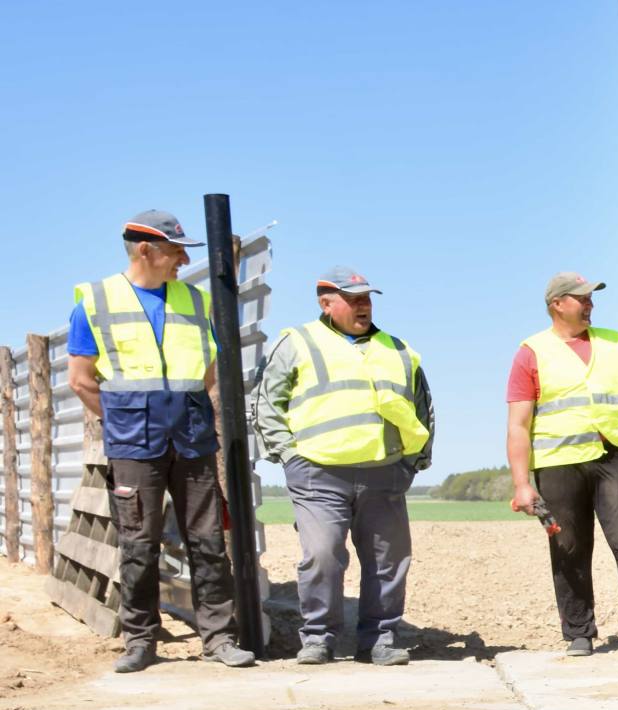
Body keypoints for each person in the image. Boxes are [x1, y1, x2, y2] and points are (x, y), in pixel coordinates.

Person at [68, 210, 255, 673]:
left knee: (208, 541)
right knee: (139, 544)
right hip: (134, 444)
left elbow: (207, 370)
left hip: (191, 438)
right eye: (176, 250)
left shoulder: (193, 300)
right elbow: (81, 380)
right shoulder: (95, 301)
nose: (183, 258)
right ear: (146, 250)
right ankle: (140, 641)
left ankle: (218, 638)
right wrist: (127, 422)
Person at [252, 268, 433, 666]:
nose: (363, 305)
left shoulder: (399, 349)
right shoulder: (297, 342)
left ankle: (380, 640)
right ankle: (318, 638)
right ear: (326, 303)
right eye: (353, 299)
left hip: (385, 473)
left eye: (367, 298)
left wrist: (411, 464)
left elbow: (424, 409)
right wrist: (290, 456)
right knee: (321, 554)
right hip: (318, 473)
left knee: (389, 561)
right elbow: (268, 403)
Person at [505, 272, 618, 658]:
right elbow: (518, 425)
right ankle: (579, 632)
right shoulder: (531, 352)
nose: (590, 305)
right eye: (581, 298)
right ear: (557, 304)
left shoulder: (616, 343)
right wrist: (521, 484)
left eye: (591, 298)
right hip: (558, 465)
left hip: (613, 458)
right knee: (568, 548)